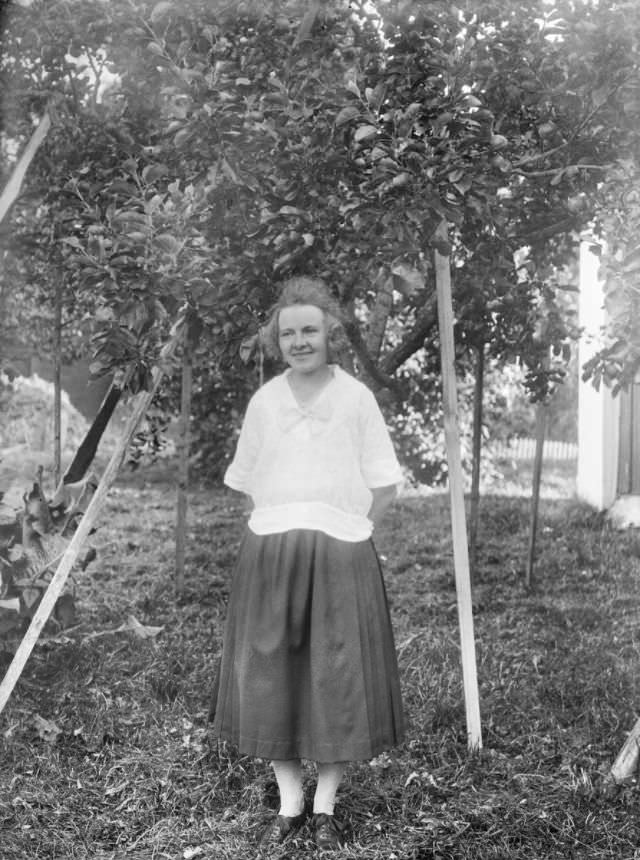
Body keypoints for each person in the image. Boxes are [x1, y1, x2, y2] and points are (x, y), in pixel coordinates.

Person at [211, 275, 405, 853]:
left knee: (335, 675)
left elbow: (384, 482)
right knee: (270, 674)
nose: (300, 341)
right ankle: (291, 801)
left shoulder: (356, 398)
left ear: (331, 335)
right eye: (289, 333)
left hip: (340, 551)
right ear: (278, 341)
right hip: (273, 552)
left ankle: (325, 805)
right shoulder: (265, 402)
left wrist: (347, 530)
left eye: (311, 331)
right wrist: (282, 524)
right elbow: (247, 484)